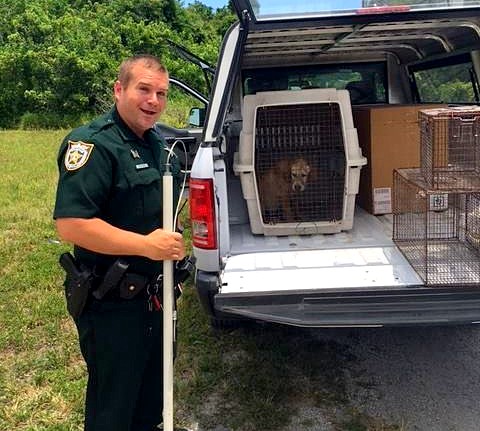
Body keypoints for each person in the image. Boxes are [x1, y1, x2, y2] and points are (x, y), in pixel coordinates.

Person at [53, 54, 186, 431]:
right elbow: (72, 224)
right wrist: (147, 247)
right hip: (113, 304)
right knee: (113, 409)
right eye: (144, 89)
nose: (154, 101)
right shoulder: (93, 145)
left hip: (156, 299)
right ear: (118, 89)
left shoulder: (158, 144)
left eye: (161, 93)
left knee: (151, 403)